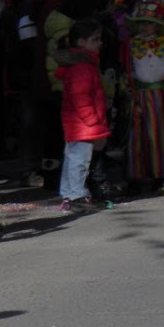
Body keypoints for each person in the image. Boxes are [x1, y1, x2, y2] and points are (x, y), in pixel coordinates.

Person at [124, 0, 164, 193]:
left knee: (158, 135)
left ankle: (161, 176)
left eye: (150, 24)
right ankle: (136, 177)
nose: (145, 27)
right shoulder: (130, 45)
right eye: (142, 23)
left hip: (158, 95)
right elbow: (127, 69)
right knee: (136, 136)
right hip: (137, 95)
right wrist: (128, 92)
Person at [57, 18, 109, 213]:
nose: (100, 43)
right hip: (82, 125)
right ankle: (76, 195)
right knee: (79, 161)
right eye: (95, 39)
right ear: (81, 42)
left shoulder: (82, 65)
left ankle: (69, 194)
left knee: (72, 159)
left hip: (77, 124)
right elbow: (82, 99)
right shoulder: (82, 67)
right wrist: (94, 123)